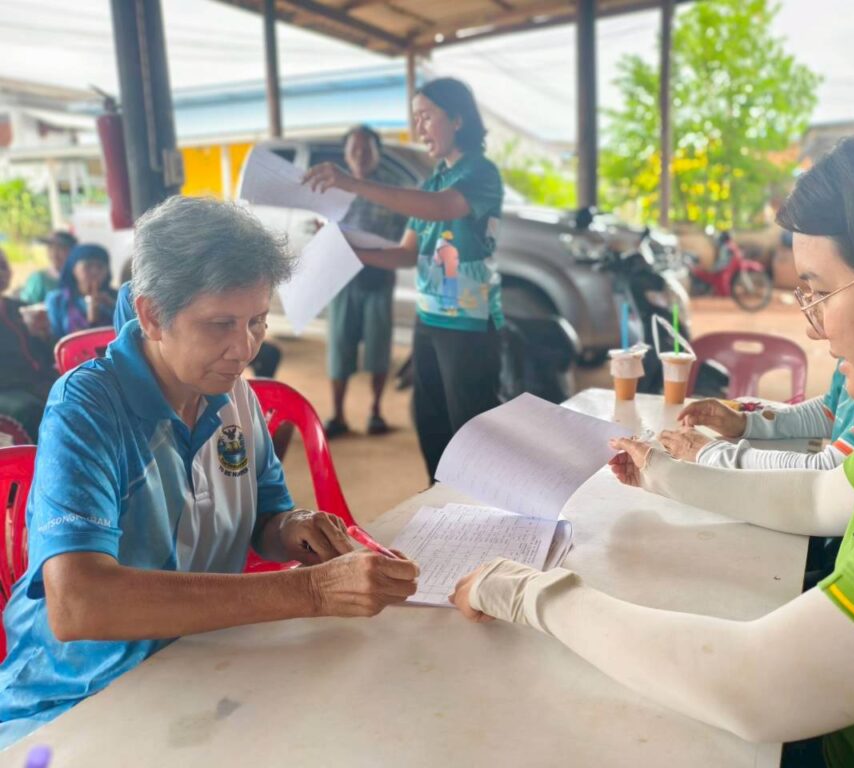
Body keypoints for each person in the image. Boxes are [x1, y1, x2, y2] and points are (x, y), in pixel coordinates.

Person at [450, 121, 854, 767]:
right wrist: (665, 474)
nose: (814, 328)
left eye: (821, 292)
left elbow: (761, 685)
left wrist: (527, 593)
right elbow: (821, 496)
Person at [0, 196, 419, 748]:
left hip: (195, 661)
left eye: (257, 321)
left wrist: (293, 527)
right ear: (152, 315)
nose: (244, 349)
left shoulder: (234, 398)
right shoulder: (89, 408)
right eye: (221, 324)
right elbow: (79, 602)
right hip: (76, 698)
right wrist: (312, 591)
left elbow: (266, 512)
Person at [304, 77, 504, 481]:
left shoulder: (480, 173)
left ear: (458, 119)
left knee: (471, 429)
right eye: (416, 118)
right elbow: (407, 253)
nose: (419, 127)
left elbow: (441, 208)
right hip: (430, 319)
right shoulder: (432, 180)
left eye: (427, 116)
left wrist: (352, 183)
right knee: (430, 421)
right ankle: (442, 496)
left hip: (469, 322)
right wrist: (344, 250)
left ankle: (480, 505)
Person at [323, 125, 410, 438]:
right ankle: (338, 415)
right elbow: (324, 227)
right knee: (339, 347)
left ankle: (376, 411)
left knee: (378, 349)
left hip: (379, 278)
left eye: (366, 149)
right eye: (354, 149)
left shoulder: (393, 190)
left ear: (378, 153)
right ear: (346, 154)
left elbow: (406, 235)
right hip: (342, 278)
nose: (360, 155)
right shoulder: (332, 188)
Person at [660, 362, 854, 470]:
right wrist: (746, 423)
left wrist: (710, 453)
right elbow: (831, 411)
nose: (811, 332)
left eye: (823, 297)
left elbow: (831, 472)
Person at [0, 248, 56, 443]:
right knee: (31, 410)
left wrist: (43, 335)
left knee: (80, 392)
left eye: (4, 266)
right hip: (7, 388)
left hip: (36, 381)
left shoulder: (18, 307)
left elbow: (47, 355)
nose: (1, 273)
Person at [44, 243, 117, 338]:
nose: (95, 272)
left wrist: (113, 307)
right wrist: (90, 321)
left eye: (100, 267)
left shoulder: (117, 298)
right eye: (88, 266)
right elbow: (56, 339)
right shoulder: (58, 300)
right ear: (73, 269)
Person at [19, 230, 77, 305]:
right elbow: (26, 305)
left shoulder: (78, 278)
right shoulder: (39, 279)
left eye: (61, 248)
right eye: (50, 247)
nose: (54, 253)